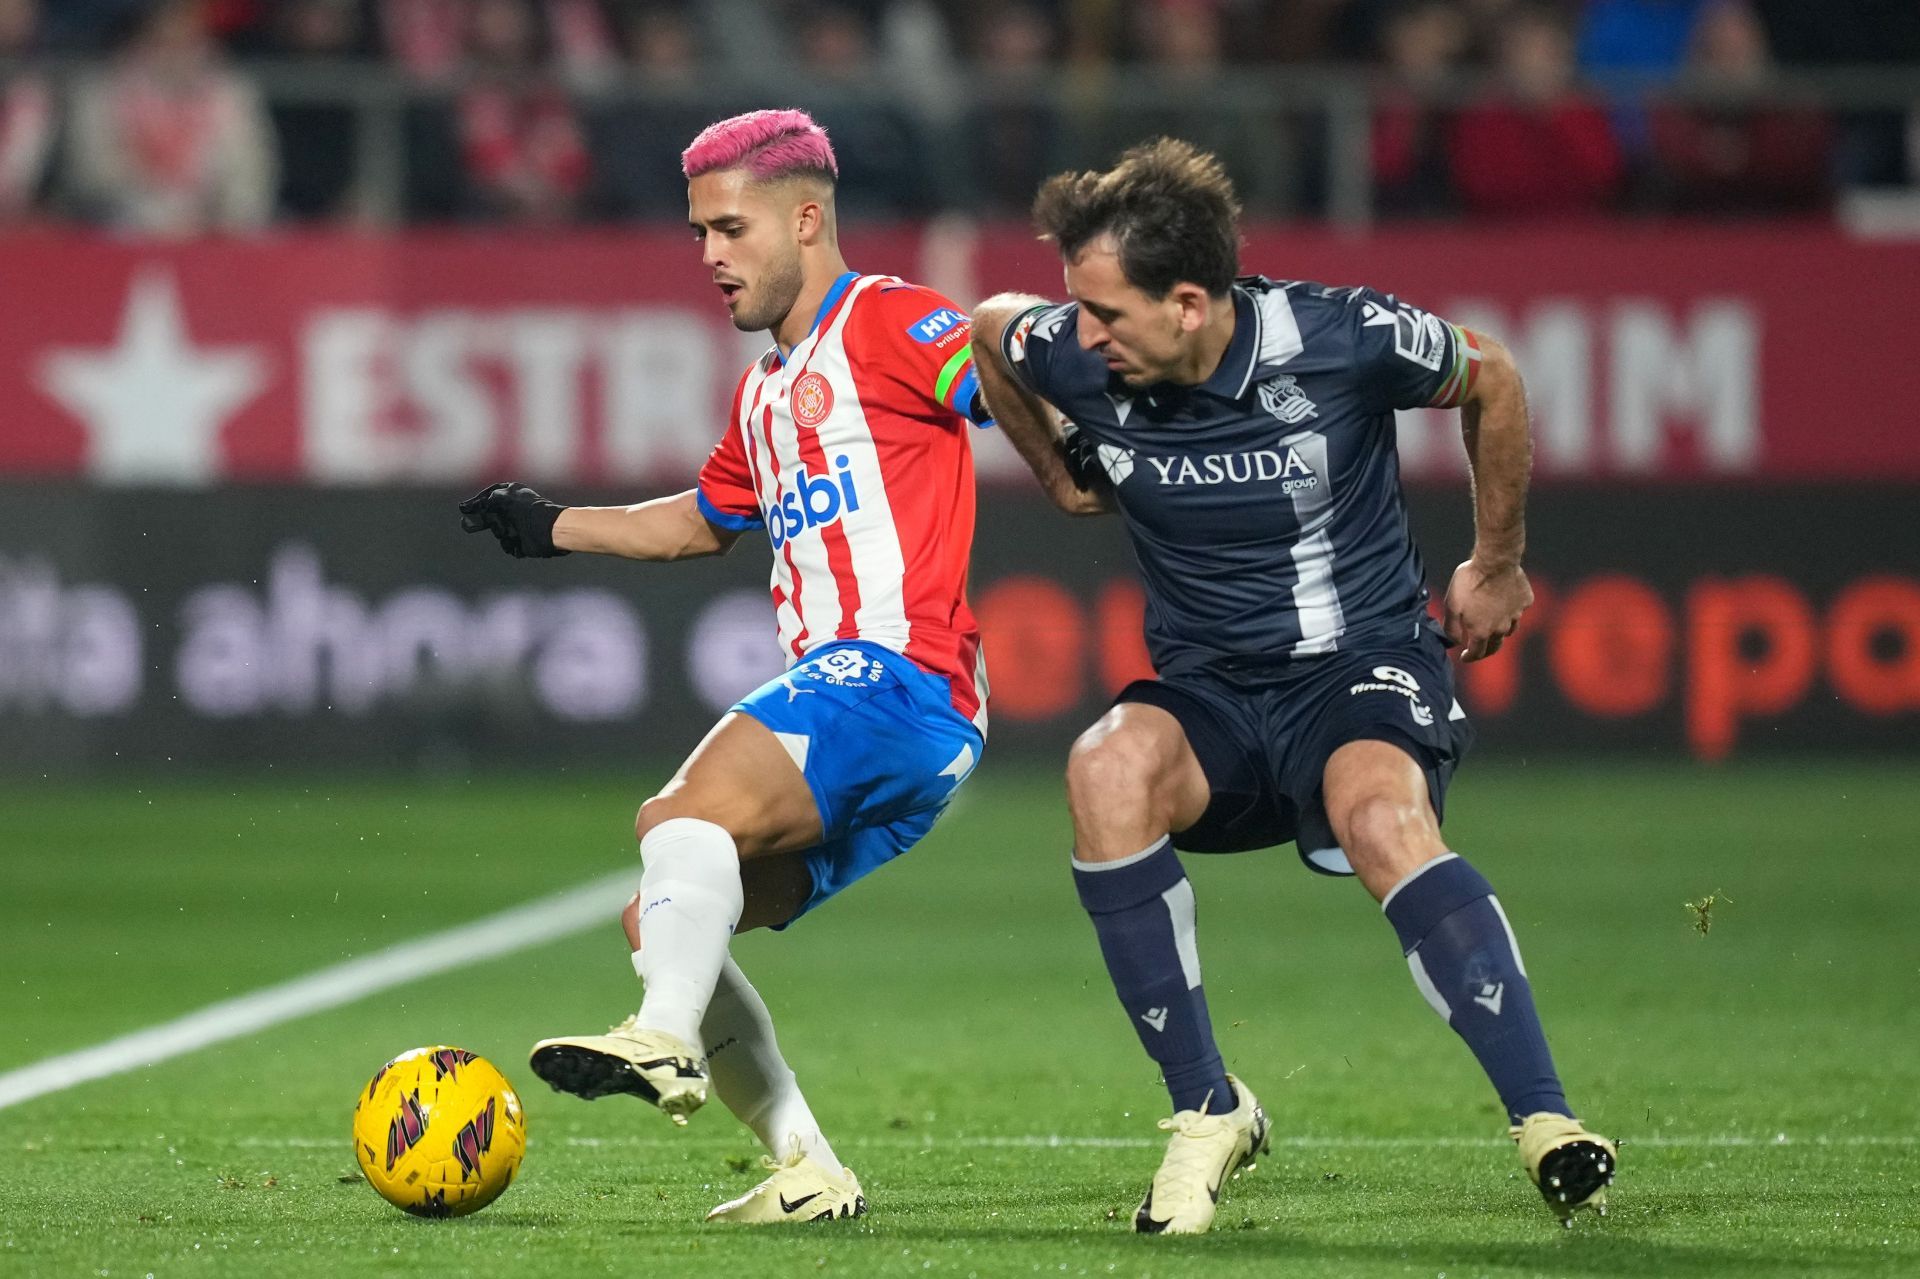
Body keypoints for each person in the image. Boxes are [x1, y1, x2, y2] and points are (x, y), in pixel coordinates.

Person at [968, 138, 1615, 1236]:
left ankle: (1545, 1119)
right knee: (1103, 766)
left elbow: (1490, 373)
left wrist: (1496, 562)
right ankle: (1206, 1108)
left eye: (1104, 314)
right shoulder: (1079, 354)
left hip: (1357, 668)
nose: (1080, 338)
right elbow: (990, 327)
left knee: (1379, 816)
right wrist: (1062, 476)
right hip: (1213, 693)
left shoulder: (1339, 336)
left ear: (1187, 302)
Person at [459, 108, 991, 1224]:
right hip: (905, 734)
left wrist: (1095, 420)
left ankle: (661, 1045)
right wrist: (551, 525)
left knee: (679, 819)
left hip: (897, 673)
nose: (709, 256)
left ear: (807, 220)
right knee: (663, 922)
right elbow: (704, 519)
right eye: (700, 232)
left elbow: (999, 379)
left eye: (731, 229)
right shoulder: (763, 391)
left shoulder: (891, 321)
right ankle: (806, 1164)